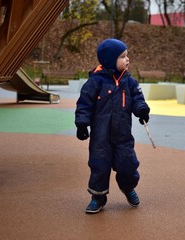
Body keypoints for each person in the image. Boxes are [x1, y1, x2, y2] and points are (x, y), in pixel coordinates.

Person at [75, 38, 150, 214]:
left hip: (123, 135)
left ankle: (128, 187)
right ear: (110, 60)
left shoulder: (129, 81)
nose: (127, 59)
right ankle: (98, 197)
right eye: (123, 56)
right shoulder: (95, 82)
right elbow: (84, 103)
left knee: (128, 165)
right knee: (99, 165)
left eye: (127, 56)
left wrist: (142, 111)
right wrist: (81, 124)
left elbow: (138, 99)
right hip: (100, 137)